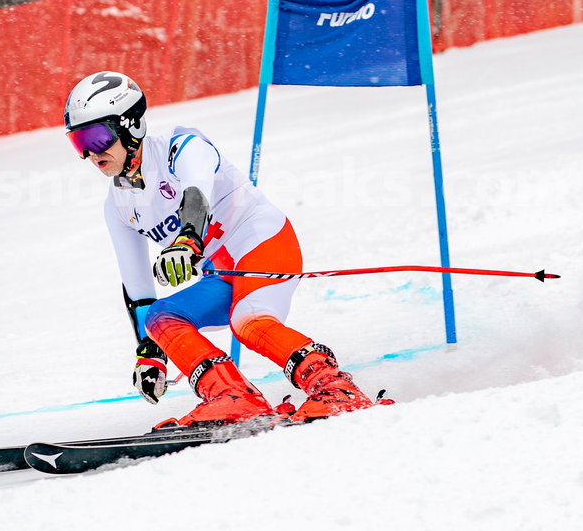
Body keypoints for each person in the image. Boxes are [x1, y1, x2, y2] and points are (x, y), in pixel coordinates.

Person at [63, 69, 387, 428]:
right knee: (160, 319)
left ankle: (335, 388)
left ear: (130, 126)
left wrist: (187, 239)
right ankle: (232, 397)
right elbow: (138, 291)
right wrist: (150, 354)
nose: (91, 154)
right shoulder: (117, 206)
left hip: (263, 242)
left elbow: (196, 192)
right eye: (79, 143)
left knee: (247, 321)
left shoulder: (180, 146)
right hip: (226, 273)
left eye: (97, 138)